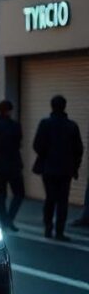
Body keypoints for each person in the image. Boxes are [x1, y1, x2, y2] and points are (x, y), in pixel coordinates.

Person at [32, 94, 83, 241]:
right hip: (66, 169)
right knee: (63, 201)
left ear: (52, 106)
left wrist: (46, 155)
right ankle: (59, 232)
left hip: (48, 168)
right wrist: (75, 166)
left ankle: (48, 228)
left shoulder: (45, 124)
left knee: (50, 199)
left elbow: (37, 145)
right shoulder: (71, 126)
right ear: (64, 106)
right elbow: (78, 149)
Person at [0, 99, 24, 232]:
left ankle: (4, 220)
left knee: (2, 195)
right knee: (19, 193)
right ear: (10, 111)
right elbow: (19, 144)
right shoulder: (15, 126)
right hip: (14, 164)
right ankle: (9, 219)